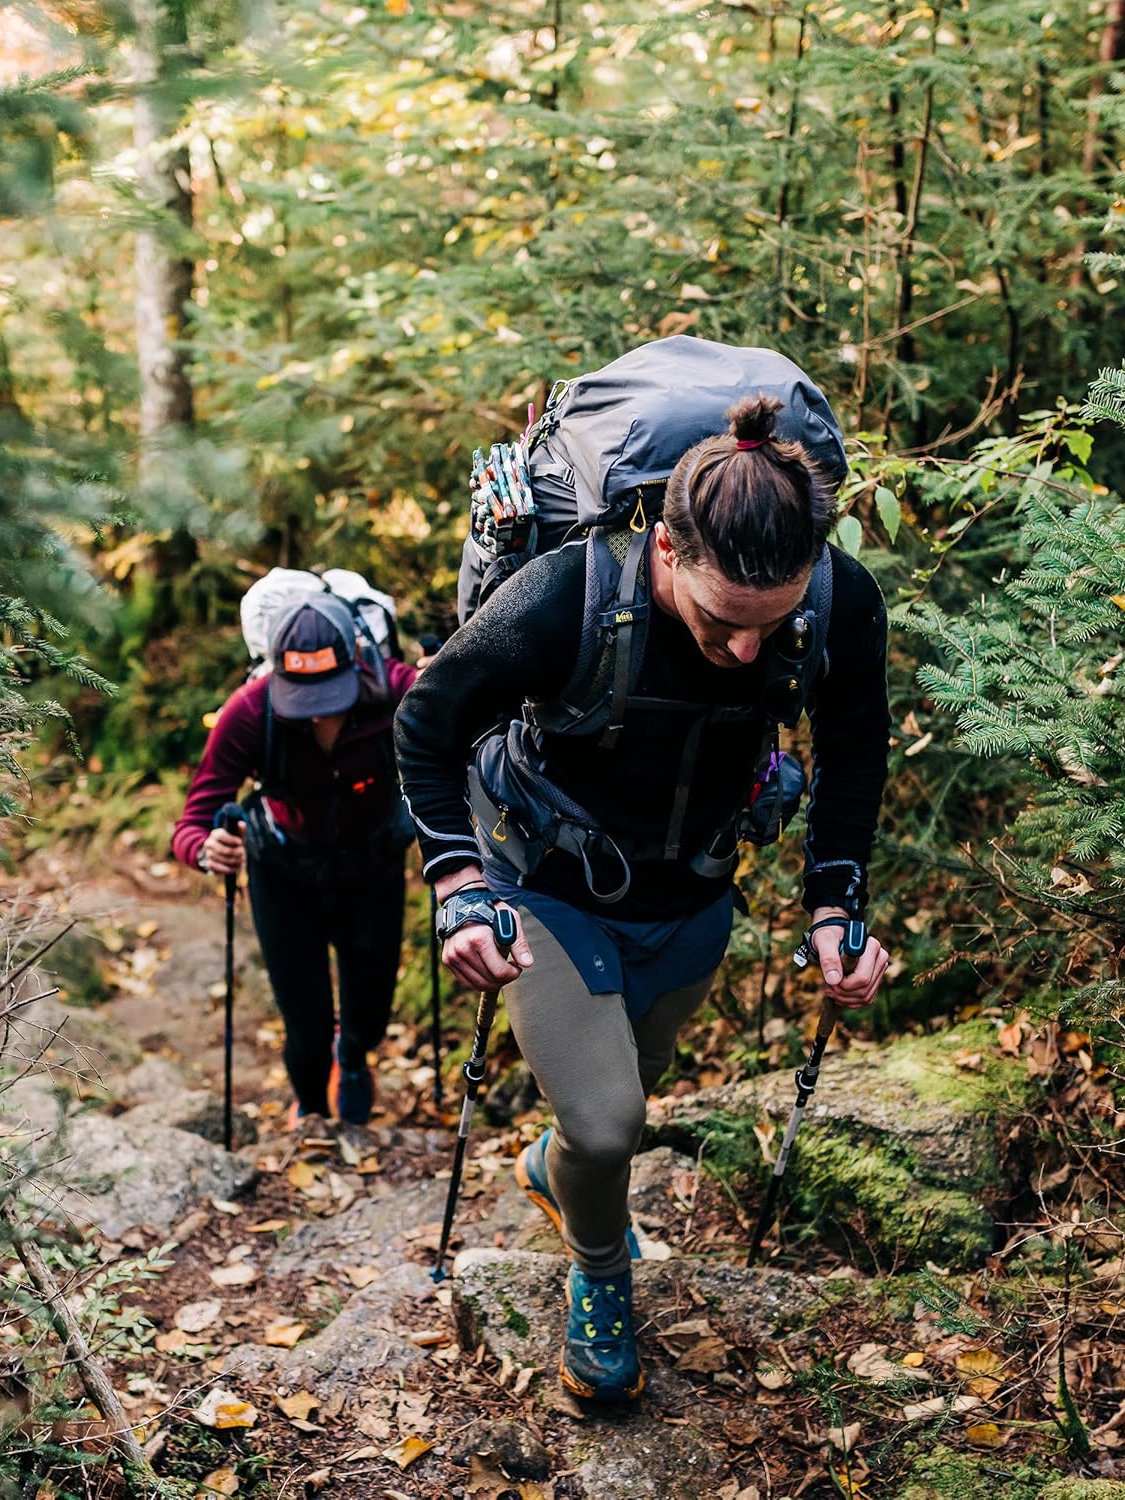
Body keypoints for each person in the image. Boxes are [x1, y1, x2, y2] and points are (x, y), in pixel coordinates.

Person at [395, 395, 892, 1402]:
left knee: (614, 1102)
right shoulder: (562, 596)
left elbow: (853, 751)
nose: (749, 652)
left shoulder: (842, 600)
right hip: (544, 883)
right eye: (721, 623)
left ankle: (559, 1166)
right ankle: (603, 1276)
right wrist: (455, 880)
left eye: (773, 623)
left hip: (696, 894)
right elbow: (426, 726)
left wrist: (837, 906)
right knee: (613, 1122)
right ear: (665, 547)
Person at [172, 593, 419, 1127]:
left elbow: (465, 739)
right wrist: (207, 849)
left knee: (371, 1013)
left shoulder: (399, 690)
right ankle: (309, 1114)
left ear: (356, 657)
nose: (321, 710)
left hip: (373, 868)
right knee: (304, 1023)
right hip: (283, 875)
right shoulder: (250, 710)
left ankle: (351, 1059)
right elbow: (192, 823)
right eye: (303, 697)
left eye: (329, 693)